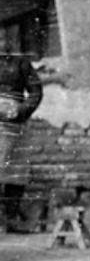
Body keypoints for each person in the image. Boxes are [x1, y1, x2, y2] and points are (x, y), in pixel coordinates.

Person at [0, 40, 43, 232]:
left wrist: (21, 110)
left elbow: (36, 91)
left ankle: (11, 218)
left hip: (15, 123)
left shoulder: (22, 64)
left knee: (16, 172)